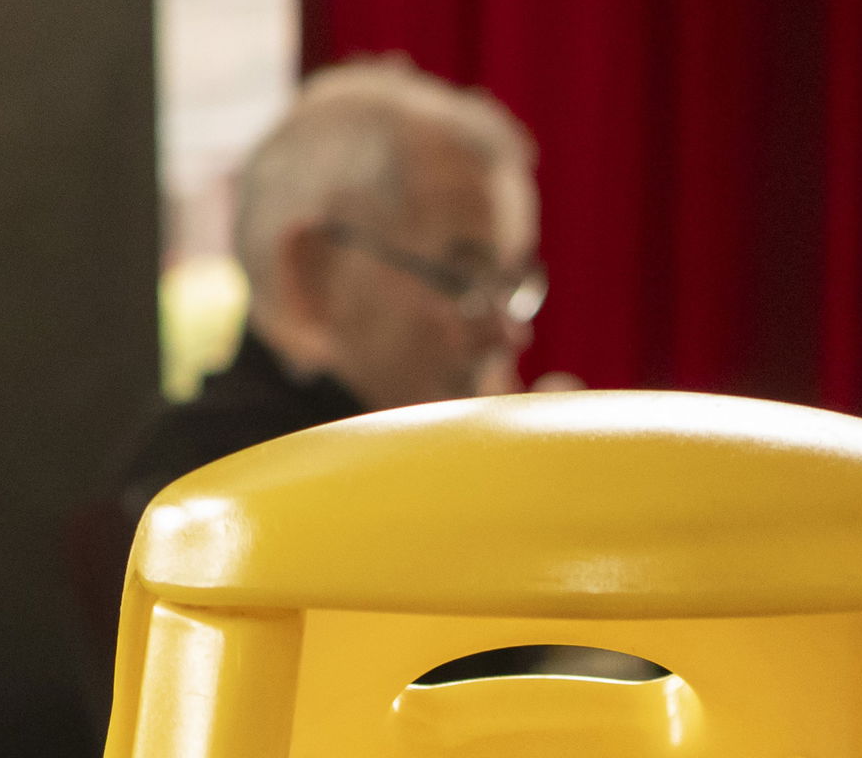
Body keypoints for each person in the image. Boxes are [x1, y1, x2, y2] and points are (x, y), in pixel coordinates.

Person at [70, 56, 544, 665]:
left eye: (510, 284)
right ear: (313, 272)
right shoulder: (220, 502)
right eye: (463, 276)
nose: (506, 330)